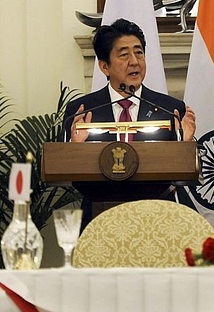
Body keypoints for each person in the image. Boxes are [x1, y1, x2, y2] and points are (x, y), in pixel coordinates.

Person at [62, 18, 196, 226]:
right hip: (99, 218)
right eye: (124, 55)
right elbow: (68, 174)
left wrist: (186, 146)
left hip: (159, 218)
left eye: (139, 52)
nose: (134, 61)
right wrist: (75, 150)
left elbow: (190, 175)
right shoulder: (81, 112)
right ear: (104, 66)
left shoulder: (170, 109)